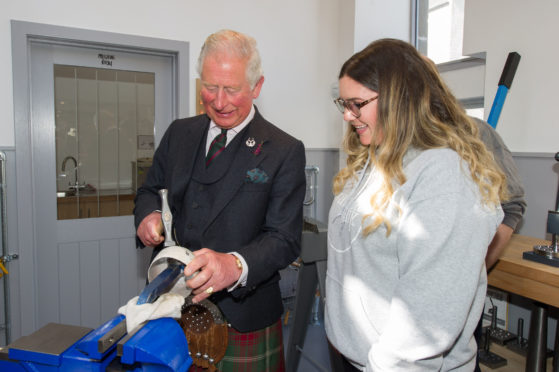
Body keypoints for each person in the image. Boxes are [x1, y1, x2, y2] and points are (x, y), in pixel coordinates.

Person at [325, 38, 508, 371]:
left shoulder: (444, 177)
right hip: (359, 357)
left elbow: (424, 322)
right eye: (344, 103)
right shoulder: (373, 157)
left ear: (399, 99)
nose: (348, 115)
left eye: (357, 103)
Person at [134, 29, 306, 371]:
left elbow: (285, 239)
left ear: (257, 87)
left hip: (244, 317)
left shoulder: (284, 151)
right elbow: (150, 190)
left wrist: (235, 264)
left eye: (232, 89)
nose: (219, 101)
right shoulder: (179, 133)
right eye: (211, 87)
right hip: (173, 308)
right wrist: (148, 215)